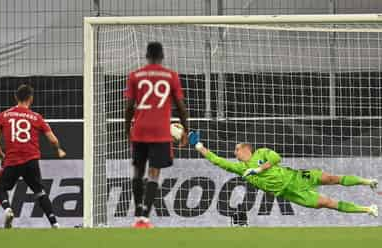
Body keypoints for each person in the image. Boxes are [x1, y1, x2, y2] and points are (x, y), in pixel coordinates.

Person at [187, 131, 379, 217]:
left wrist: (259, 169)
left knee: (331, 178)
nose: (234, 153)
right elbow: (216, 160)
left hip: (295, 176)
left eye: (236, 150)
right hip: (290, 193)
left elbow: (277, 158)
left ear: (246, 149)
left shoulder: (261, 152)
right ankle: (368, 209)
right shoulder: (240, 168)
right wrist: (198, 146)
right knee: (327, 204)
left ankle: (367, 181)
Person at [125, 41, 189, 228]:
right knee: (154, 173)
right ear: (162, 56)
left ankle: (137, 214)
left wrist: (126, 128)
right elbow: (181, 108)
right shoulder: (171, 76)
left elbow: (129, 107)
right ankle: (145, 217)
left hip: (140, 129)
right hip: (160, 132)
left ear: (146, 55)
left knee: (138, 170)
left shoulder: (135, 76)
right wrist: (185, 129)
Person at [0, 84, 66, 228]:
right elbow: (53, 139)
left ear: (15, 97)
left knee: (1, 187)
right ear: (30, 99)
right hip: (31, 161)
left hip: (12, 161)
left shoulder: (3, 116)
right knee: (40, 192)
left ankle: (7, 209)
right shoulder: (36, 117)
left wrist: (2, 156)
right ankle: (55, 223)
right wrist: (58, 149)